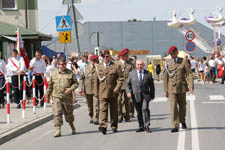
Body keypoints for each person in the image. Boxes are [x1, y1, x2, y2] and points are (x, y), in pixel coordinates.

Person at [163, 46, 194, 133]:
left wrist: (191, 86)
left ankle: (182, 120)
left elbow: (189, 74)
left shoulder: (183, 61)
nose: (172, 55)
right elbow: (165, 78)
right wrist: (166, 90)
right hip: (171, 88)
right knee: (173, 107)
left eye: (173, 54)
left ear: (177, 52)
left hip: (182, 87)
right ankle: (174, 125)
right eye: (170, 54)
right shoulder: (168, 63)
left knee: (183, 106)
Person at [93, 49, 124, 135]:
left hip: (113, 92)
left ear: (110, 56)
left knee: (114, 110)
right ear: (101, 57)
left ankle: (114, 125)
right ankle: (103, 126)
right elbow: (96, 82)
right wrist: (96, 93)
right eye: (103, 56)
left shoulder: (116, 66)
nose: (105, 58)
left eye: (107, 56)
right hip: (102, 92)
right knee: (103, 110)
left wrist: (117, 88)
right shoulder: (98, 67)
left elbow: (121, 79)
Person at [46, 59, 79, 137]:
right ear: (58, 65)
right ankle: (58, 130)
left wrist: (70, 89)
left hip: (67, 97)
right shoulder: (54, 74)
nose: (63, 66)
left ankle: (71, 125)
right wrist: (47, 96)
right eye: (61, 64)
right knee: (57, 113)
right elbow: (50, 86)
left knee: (69, 114)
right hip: (56, 96)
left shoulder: (70, 73)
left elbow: (76, 84)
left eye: (64, 64)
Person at [126, 60, 155, 133]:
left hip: (145, 95)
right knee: (138, 112)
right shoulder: (131, 73)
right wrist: (128, 92)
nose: (140, 66)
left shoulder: (148, 73)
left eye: (141, 64)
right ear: (136, 65)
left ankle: (147, 125)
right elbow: (127, 84)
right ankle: (141, 126)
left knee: (145, 109)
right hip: (135, 95)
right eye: (138, 64)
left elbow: (152, 86)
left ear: (144, 65)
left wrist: (152, 95)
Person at [79, 55, 100, 125]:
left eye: (96, 60)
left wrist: (97, 67)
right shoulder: (86, 68)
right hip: (88, 90)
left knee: (96, 104)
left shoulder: (99, 67)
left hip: (97, 89)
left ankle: (95, 118)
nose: (95, 62)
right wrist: (80, 87)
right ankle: (91, 116)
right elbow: (81, 78)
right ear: (91, 61)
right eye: (94, 61)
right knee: (90, 106)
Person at [116, 48, 134, 123]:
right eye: (126, 55)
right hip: (119, 85)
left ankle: (127, 115)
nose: (127, 56)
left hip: (127, 84)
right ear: (122, 56)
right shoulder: (117, 64)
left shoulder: (130, 63)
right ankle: (120, 115)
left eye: (127, 55)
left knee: (127, 101)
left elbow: (133, 74)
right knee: (119, 100)